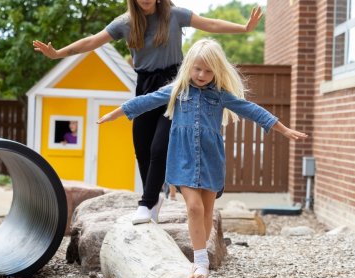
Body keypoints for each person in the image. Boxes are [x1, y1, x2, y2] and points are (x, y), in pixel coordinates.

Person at [34, 0, 263, 225]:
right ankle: (153, 202)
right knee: (142, 148)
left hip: (174, 85)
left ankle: (146, 202)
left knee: (159, 147)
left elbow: (210, 24)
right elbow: (93, 41)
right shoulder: (125, 23)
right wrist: (58, 54)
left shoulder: (175, 15)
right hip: (145, 84)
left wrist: (243, 28)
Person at [97, 39, 308, 278]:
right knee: (194, 207)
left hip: (211, 159)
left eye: (208, 71)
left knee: (207, 212)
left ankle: (201, 257)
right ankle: (200, 263)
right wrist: (115, 114)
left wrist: (283, 129)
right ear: (189, 66)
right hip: (183, 158)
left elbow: (251, 110)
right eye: (198, 69)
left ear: (217, 71)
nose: (202, 75)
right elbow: (146, 100)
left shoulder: (220, 95)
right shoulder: (177, 91)